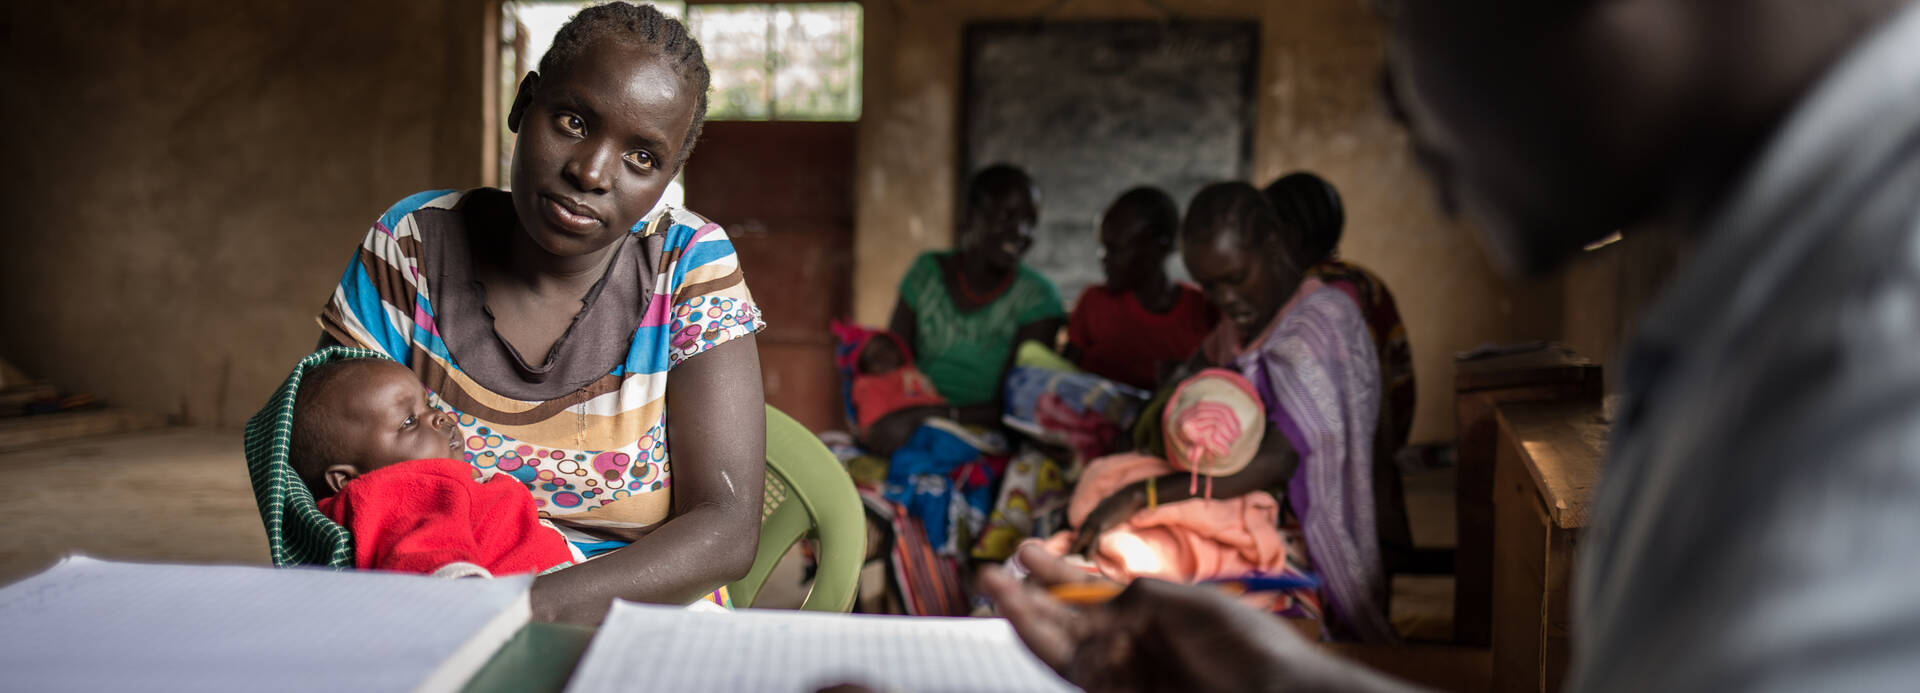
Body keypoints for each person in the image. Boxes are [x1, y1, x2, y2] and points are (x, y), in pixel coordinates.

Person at [986, 0, 1920, 690]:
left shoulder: (1874, 333)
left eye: (1402, 20)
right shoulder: (1784, 282)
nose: (1396, 100)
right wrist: (1288, 683)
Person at [315, 2, 764, 623]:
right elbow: (316, 469)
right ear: (523, 104)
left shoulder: (687, 264)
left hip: (640, 619)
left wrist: (516, 611)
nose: (591, 171)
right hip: (430, 603)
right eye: (574, 121)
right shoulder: (409, 247)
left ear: (668, 177)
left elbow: (726, 529)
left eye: (642, 159)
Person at [1070, 182, 1396, 643]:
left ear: (1274, 243)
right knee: (1114, 551)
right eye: (1210, 287)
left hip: (1304, 533)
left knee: (1148, 575)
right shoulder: (1241, 324)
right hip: (1231, 508)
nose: (1224, 298)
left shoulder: (1322, 322)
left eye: (1235, 278)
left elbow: (1279, 460)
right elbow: (1190, 375)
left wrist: (1141, 494)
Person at [293, 357, 578, 578]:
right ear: (347, 479)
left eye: (428, 404)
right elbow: (427, 561)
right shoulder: (397, 493)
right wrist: (467, 596)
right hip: (519, 603)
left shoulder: (430, 486)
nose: (439, 417)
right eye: (409, 422)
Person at [1263, 172, 1417, 572]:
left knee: (1340, 550)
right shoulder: (1364, 281)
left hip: (1335, 458)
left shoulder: (1311, 295)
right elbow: (1399, 377)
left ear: (1290, 234)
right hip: (1376, 446)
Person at [888, 164, 1066, 427]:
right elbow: (891, 363)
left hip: (987, 435)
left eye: (1030, 222)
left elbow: (1017, 405)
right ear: (972, 214)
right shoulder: (927, 273)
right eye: (1007, 216)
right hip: (909, 419)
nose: (1021, 232)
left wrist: (934, 417)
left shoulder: (1038, 298)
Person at [1065, 187, 1217, 391]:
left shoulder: (1205, 311)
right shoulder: (1094, 303)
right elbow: (1061, 378)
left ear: (1158, 248)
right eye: (1103, 246)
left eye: (1115, 248)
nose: (1104, 258)